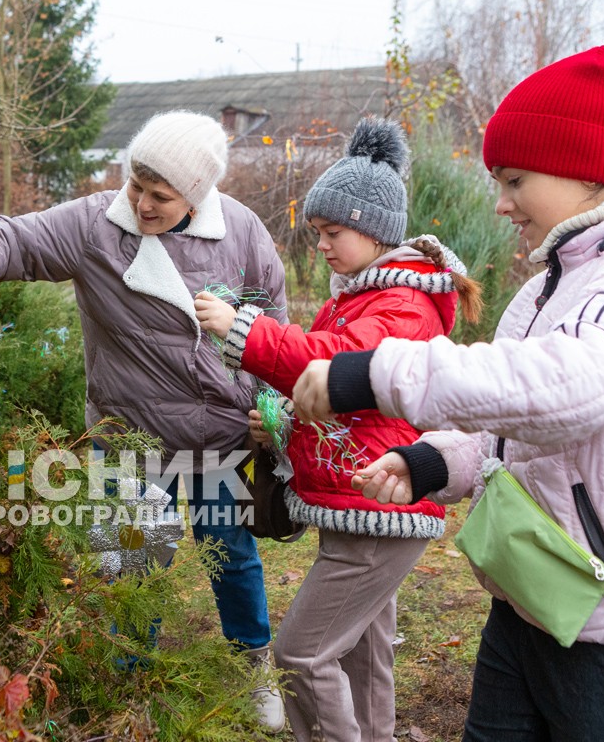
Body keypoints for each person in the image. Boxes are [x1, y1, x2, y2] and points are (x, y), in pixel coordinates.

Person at [291, 46, 604, 741]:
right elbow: (518, 425)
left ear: (588, 170)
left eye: (515, 179)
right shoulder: (562, 276)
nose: (502, 202)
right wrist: (435, 461)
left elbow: (563, 390)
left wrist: (375, 371)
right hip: (535, 596)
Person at [0, 111, 289, 731]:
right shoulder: (98, 227)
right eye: (135, 186)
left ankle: (254, 668)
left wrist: (265, 405)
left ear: (197, 196)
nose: (142, 204)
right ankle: (124, 677)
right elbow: (12, 237)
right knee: (129, 561)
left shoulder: (244, 233)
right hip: (132, 441)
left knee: (231, 556)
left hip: (219, 442)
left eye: (161, 196)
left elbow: (273, 320)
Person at [195, 117, 482, 742]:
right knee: (363, 655)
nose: (320, 245)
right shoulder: (361, 297)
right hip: (366, 497)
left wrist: (240, 329)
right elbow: (353, 404)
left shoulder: (401, 308)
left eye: (333, 232)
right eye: (317, 232)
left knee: (301, 653)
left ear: (375, 231)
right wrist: (283, 422)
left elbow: (338, 362)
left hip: (378, 501)